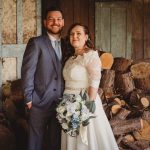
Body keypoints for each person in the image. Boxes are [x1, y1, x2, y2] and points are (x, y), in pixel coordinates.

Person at [60, 23, 119, 150]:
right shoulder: (71, 58)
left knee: (85, 138)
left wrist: (88, 104)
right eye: (71, 34)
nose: (74, 36)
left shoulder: (90, 55)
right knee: (71, 137)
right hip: (68, 102)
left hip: (84, 101)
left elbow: (95, 79)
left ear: (86, 37)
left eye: (78, 33)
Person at [21, 6, 66, 150]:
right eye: (51, 19)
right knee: (35, 142)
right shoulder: (36, 43)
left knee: (56, 142)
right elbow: (27, 71)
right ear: (45, 22)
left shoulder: (68, 45)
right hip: (38, 101)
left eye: (58, 19)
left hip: (62, 103)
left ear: (63, 22)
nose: (55, 22)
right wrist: (29, 98)